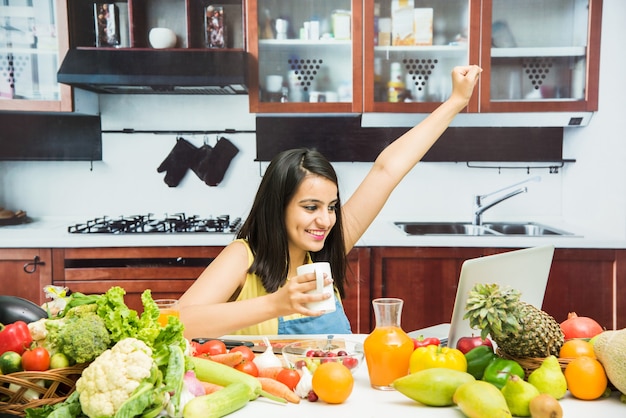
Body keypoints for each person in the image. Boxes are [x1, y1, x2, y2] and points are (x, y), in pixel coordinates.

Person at [179, 65, 482, 338]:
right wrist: (275, 304)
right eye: (310, 207)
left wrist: (456, 102)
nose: (325, 221)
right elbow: (175, 321)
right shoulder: (243, 256)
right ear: (277, 207)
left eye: (332, 207)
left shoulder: (324, 252)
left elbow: (386, 171)